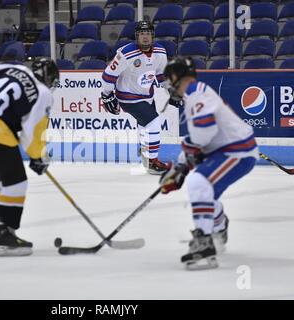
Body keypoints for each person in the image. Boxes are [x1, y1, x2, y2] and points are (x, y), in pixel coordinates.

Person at [160, 57, 258, 270]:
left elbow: (203, 136)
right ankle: (219, 226)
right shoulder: (194, 93)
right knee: (203, 192)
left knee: (198, 182)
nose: (168, 83)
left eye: (169, 77)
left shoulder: (197, 94)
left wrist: (183, 168)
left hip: (236, 151)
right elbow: (200, 140)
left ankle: (204, 244)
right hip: (229, 150)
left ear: (177, 76)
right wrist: (179, 166)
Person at [0, 57, 59, 257]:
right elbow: (32, 129)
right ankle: (5, 235)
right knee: (16, 182)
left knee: (0, 179)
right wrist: (38, 157)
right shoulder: (43, 93)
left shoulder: (13, 68)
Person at [100, 20, 169, 175]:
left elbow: (161, 74)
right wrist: (106, 94)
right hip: (128, 96)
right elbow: (108, 75)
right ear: (136, 36)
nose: (145, 37)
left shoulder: (160, 51)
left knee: (145, 124)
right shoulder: (126, 53)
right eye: (141, 34)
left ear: (153, 36)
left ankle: (145, 152)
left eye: (148, 34)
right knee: (154, 122)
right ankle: (152, 161)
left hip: (147, 95)